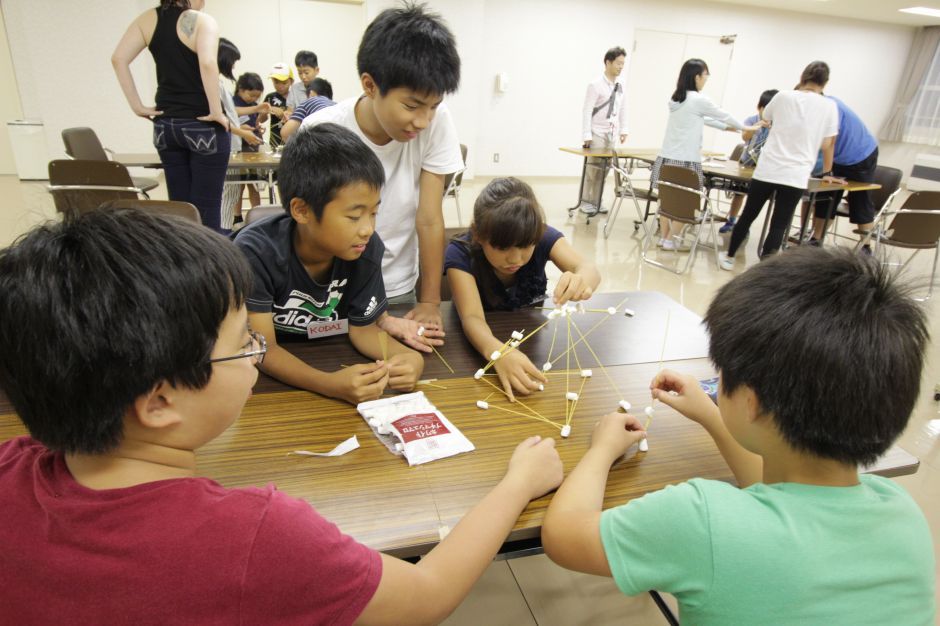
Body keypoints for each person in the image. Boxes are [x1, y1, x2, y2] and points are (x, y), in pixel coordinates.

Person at [0, 208, 565, 625]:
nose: (256, 350)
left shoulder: (11, 465)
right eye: (241, 342)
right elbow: (429, 593)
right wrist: (519, 483)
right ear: (158, 402)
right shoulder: (258, 537)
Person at [541, 246, 935, 625]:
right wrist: (713, 416)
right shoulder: (901, 510)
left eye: (722, 374)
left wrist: (602, 450)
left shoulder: (701, 519)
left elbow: (562, 536)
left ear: (751, 401)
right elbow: (777, 496)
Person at [234, 123, 436, 405]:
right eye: (354, 217)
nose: (367, 229)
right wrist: (328, 384)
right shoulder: (256, 254)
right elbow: (264, 348)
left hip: (329, 353)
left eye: (374, 213)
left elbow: (363, 329)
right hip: (267, 386)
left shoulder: (365, 249)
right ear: (302, 210)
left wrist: (407, 357)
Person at [302, 4, 463, 334]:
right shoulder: (321, 129)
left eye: (433, 106)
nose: (423, 120)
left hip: (394, 285)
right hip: (328, 293)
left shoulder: (436, 123)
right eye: (411, 105)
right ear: (370, 85)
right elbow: (304, 226)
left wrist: (430, 302)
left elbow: (430, 217)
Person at [445, 178, 600, 399]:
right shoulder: (460, 253)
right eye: (502, 247)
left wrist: (581, 280)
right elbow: (472, 317)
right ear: (478, 235)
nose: (515, 258)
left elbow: (587, 268)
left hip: (533, 344)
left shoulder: (539, 234)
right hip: (475, 349)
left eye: (526, 246)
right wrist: (498, 352)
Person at [112, 0, 231, 232]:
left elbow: (118, 59)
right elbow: (207, 63)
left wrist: (137, 106)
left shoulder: (147, 19)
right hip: (202, 124)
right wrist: (216, 111)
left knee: (179, 209)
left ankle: (181, 264)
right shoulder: (203, 21)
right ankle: (210, 266)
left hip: (165, 126)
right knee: (206, 209)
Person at [721, 61, 839, 269]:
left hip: (768, 169)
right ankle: (763, 270)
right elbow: (827, 143)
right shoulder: (829, 106)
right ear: (825, 82)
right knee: (779, 224)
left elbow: (766, 118)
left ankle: (729, 257)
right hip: (796, 174)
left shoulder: (784, 96)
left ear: (802, 77)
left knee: (748, 215)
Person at [652, 59, 753, 251]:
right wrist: (745, 127)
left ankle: (665, 239)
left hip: (666, 159)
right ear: (697, 76)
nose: (706, 79)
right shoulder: (699, 99)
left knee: (667, 200)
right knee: (686, 203)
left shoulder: (676, 99)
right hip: (686, 161)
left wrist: (728, 129)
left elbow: (704, 119)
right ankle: (672, 239)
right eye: (706, 75)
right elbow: (721, 114)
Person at [809, 96, 880, 249]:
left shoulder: (831, 107)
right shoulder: (815, 109)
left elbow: (830, 141)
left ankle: (866, 247)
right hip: (838, 156)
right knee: (826, 195)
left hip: (861, 154)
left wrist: (827, 172)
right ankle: (816, 240)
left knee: (860, 199)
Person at [217, 39, 262, 231]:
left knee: (232, 191)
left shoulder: (216, 84)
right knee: (230, 192)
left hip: (233, 146)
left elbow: (232, 114)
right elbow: (221, 118)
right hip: (229, 148)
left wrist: (257, 109)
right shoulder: (212, 85)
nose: (233, 66)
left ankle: (224, 229)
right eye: (232, 62)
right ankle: (225, 231)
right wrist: (243, 133)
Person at [719, 89, 778, 234]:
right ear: (760, 107)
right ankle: (731, 220)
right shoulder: (752, 120)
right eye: (767, 109)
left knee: (754, 198)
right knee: (739, 193)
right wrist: (757, 126)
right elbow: (745, 137)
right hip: (746, 163)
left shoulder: (777, 124)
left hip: (764, 166)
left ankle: (744, 226)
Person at [579, 46, 629, 216]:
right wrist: (587, 135)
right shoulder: (595, 85)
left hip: (611, 134)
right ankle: (586, 202)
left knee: (605, 169)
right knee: (592, 170)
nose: (621, 67)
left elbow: (622, 108)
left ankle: (597, 201)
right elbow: (587, 110)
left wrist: (624, 129)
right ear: (608, 62)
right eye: (618, 63)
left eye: (623, 64)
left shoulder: (620, 86)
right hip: (597, 133)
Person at [233, 72, 269, 210]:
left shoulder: (254, 104)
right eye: (251, 95)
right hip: (238, 149)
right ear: (240, 89)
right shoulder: (233, 103)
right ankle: (237, 216)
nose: (254, 99)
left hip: (253, 149)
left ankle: (256, 213)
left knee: (255, 183)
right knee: (238, 185)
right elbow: (231, 123)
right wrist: (241, 128)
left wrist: (257, 127)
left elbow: (255, 122)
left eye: (257, 96)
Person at [281, 77, 337, 142]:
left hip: (320, 142)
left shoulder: (309, 102)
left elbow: (285, 134)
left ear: (311, 93)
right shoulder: (336, 105)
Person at [263, 62, 294, 149]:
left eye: (284, 83)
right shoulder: (270, 97)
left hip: (293, 142)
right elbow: (261, 120)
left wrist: (283, 114)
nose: (280, 86)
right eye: (276, 82)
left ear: (291, 81)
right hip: (274, 142)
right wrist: (265, 111)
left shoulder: (296, 97)